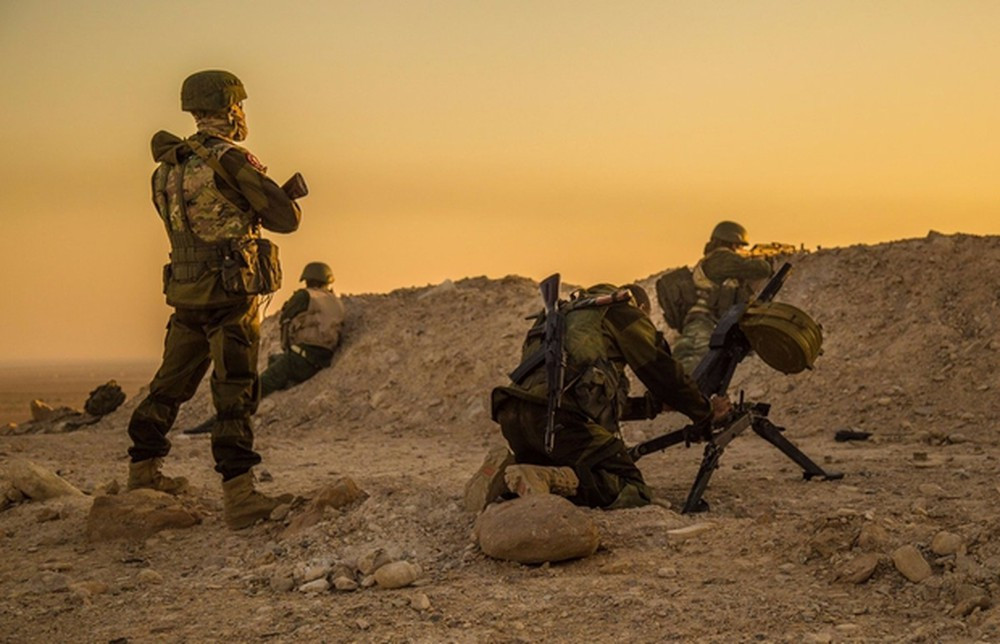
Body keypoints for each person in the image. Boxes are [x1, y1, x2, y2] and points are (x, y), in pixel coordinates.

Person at [125, 70, 303, 530]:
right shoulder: (231, 159)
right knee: (234, 391)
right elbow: (285, 219)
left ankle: (142, 472)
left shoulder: (168, 166)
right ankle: (240, 496)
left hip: (186, 293)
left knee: (169, 385)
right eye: (239, 107)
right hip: (229, 295)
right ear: (229, 109)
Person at [466, 283, 729, 512]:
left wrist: (653, 406)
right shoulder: (621, 310)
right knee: (630, 488)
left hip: (516, 416)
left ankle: (508, 474)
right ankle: (541, 477)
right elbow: (663, 373)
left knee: (554, 471)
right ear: (641, 308)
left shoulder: (561, 317)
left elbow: (586, 395)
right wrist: (705, 411)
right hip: (561, 423)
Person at [183, 261, 345, 434]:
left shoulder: (305, 296)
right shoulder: (335, 302)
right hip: (321, 359)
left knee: (255, 388)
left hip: (300, 359)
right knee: (275, 361)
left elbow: (286, 316)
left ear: (308, 280)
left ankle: (223, 420)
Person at [672, 221, 773, 374]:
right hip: (701, 326)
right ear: (732, 243)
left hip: (709, 325)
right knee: (691, 374)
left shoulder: (716, 261)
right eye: (739, 247)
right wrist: (763, 261)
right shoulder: (721, 258)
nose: (740, 251)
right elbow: (759, 269)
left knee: (702, 376)